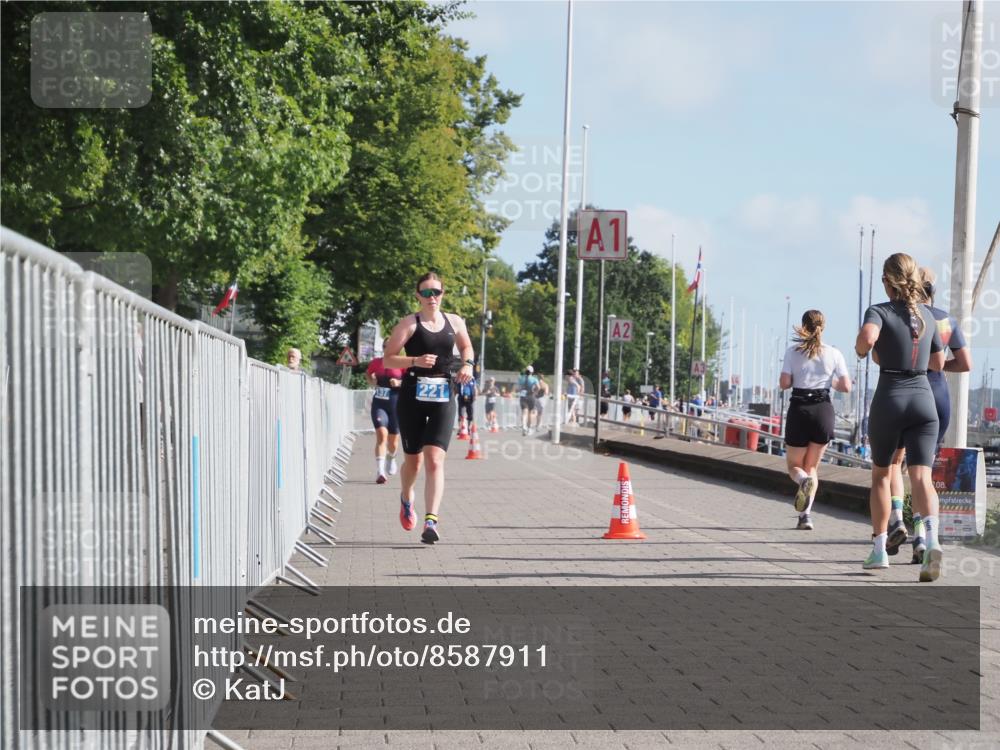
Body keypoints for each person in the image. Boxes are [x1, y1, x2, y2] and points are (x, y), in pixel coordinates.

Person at [855, 253, 945, 580]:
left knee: (882, 474)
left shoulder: (879, 310)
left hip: (891, 395)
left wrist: (865, 351)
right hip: (924, 399)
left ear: (887, 281)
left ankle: (879, 550)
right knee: (922, 477)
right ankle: (932, 542)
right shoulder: (929, 316)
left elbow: (867, 339)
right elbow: (938, 363)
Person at [883, 267, 972, 562]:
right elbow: (964, 363)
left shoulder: (900, 315)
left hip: (906, 391)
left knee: (895, 462)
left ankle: (897, 518)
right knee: (925, 473)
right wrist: (939, 367)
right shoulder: (945, 318)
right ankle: (923, 538)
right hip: (938, 396)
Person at [382, 272, 475, 545]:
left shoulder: (455, 322)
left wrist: (467, 364)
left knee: (435, 460)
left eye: (436, 292)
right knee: (414, 461)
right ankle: (406, 495)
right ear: (417, 296)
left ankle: (431, 521)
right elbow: (388, 359)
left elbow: (466, 346)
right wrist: (414, 361)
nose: (431, 297)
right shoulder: (409, 324)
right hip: (412, 396)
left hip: (444, 394)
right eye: (426, 293)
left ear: (443, 294)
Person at [779, 310, 852, 531]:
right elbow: (846, 386)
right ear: (824, 327)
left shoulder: (792, 352)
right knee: (812, 467)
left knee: (795, 466)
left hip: (800, 409)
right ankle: (806, 516)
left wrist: (796, 376)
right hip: (823, 410)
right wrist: (830, 382)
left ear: (803, 326)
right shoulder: (834, 353)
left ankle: (802, 482)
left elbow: (784, 383)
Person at [365, 340, 404, 484]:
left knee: (394, 441)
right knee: (382, 435)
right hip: (379, 403)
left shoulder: (402, 363)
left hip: (396, 405)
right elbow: (368, 374)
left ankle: (391, 457)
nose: (387, 349)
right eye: (384, 346)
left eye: (390, 346)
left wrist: (399, 383)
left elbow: (411, 382)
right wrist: (372, 381)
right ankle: (380, 472)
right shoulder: (376, 362)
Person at [517, 365, 539, 435]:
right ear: (532, 372)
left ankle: (524, 426)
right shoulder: (534, 379)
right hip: (531, 396)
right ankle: (529, 429)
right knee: (530, 413)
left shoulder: (521, 378)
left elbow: (519, 388)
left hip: (523, 396)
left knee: (524, 412)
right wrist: (535, 392)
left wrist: (521, 391)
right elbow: (538, 387)